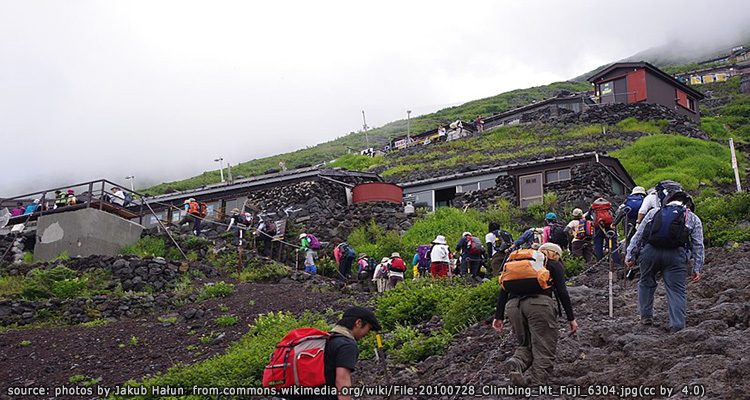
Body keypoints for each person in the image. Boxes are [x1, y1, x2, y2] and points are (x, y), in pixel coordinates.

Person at [493, 243, 577, 385]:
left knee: (525, 343)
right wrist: (571, 318)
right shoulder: (553, 264)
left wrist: (499, 316)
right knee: (543, 346)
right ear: (556, 254)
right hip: (539, 305)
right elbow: (562, 292)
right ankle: (538, 384)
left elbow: (503, 291)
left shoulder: (522, 265)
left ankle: (517, 363)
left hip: (513, 307)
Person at [625, 190, 704, 333]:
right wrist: (697, 268)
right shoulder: (692, 218)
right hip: (676, 255)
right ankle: (677, 325)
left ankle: (646, 316)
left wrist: (629, 255)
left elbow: (639, 234)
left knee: (646, 282)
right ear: (688, 204)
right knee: (676, 290)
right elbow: (698, 244)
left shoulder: (655, 212)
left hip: (650, 252)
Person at [284, 307, 381, 400]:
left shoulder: (325, 341)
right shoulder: (347, 345)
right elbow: (342, 381)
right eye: (368, 329)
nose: (367, 333)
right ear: (358, 323)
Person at [589, 198, 621, 264]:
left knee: (598, 243)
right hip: (610, 226)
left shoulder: (594, 207)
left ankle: (600, 261)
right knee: (613, 244)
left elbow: (588, 216)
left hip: (598, 227)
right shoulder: (608, 206)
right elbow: (614, 215)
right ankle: (616, 261)